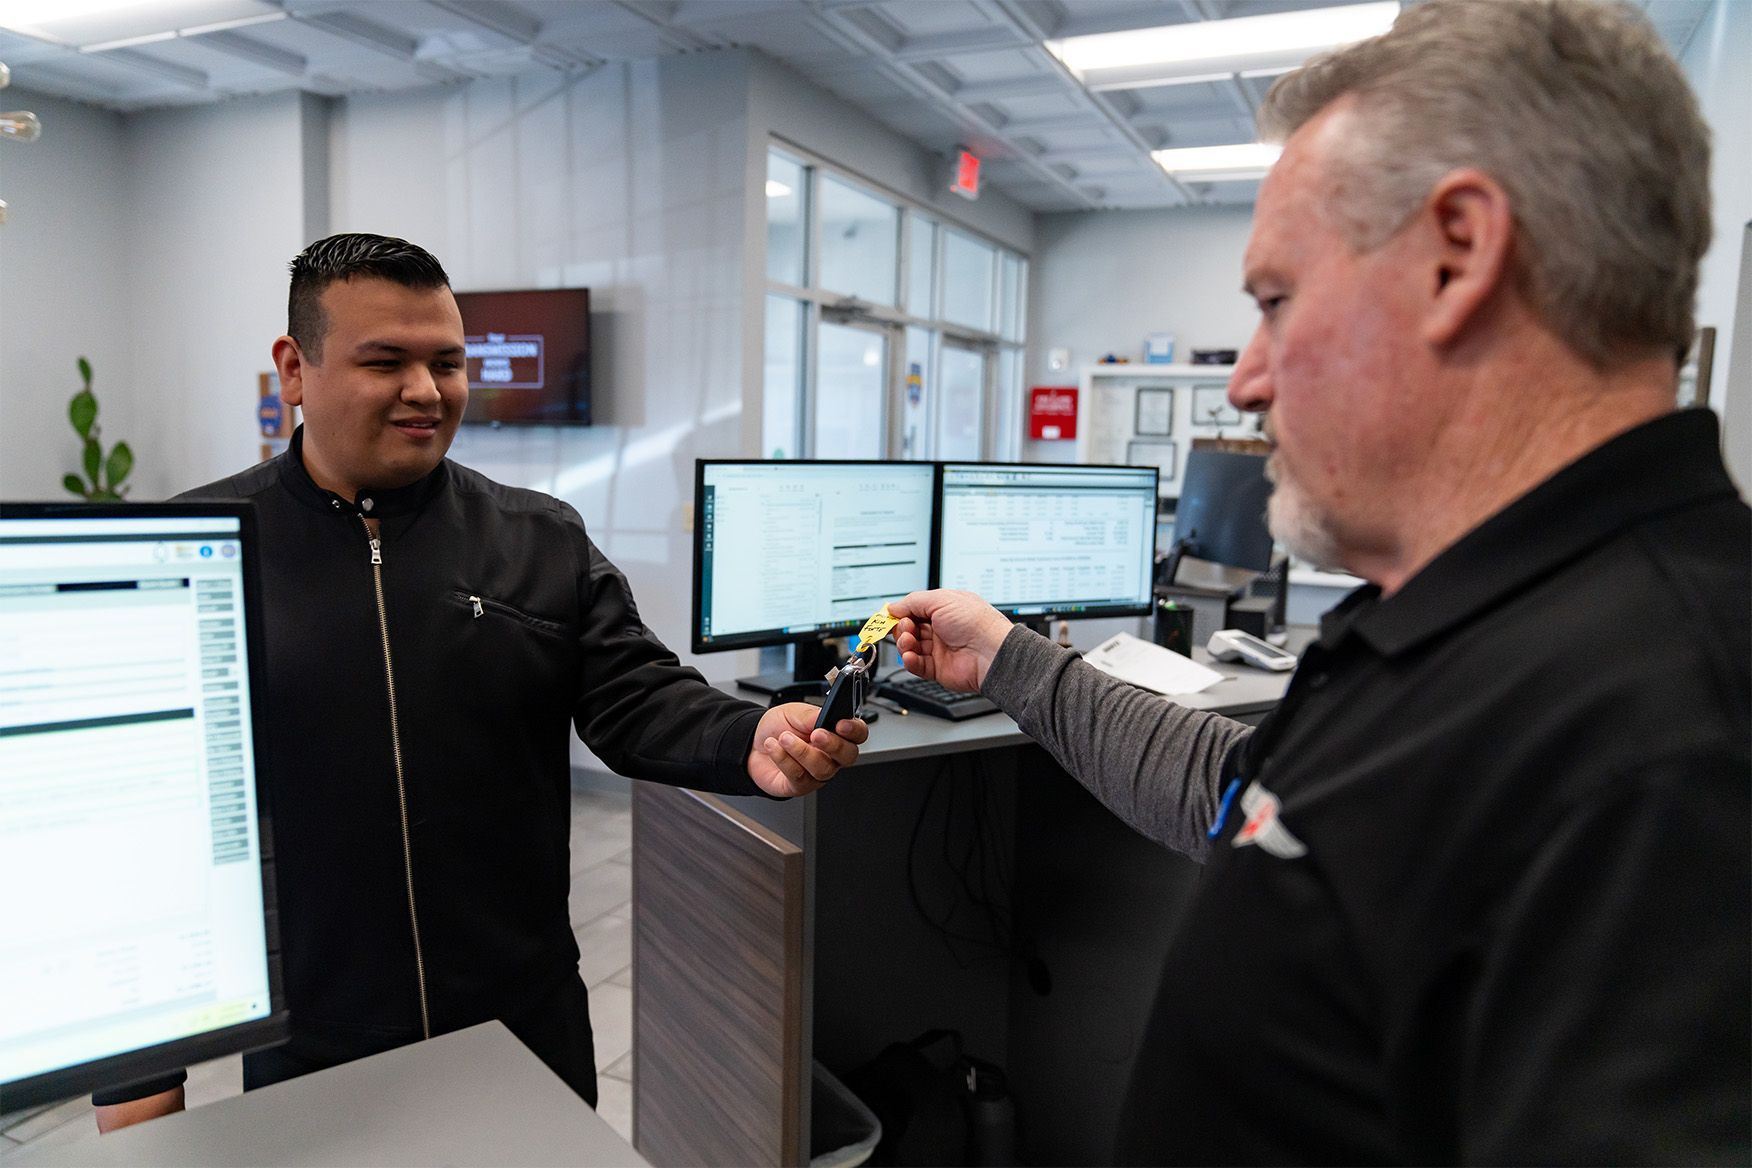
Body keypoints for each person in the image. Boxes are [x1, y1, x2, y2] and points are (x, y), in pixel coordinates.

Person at [891, 0, 1749, 1162]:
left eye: (1275, 301)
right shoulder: (1479, 625)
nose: (1244, 381)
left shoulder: (1673, 745)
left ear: (1458, 255)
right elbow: (1242, 794)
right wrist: (1009, 658)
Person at [93, 233, 867, 1130]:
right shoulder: (198, 550)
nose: (427, 390)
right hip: (315, 1043)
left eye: (448, 363)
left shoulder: (538, 537)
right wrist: (139, 1081)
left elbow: (637, 695)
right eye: (386, 361)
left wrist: (750, 736)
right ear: (294, 370)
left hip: (523, 1024)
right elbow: (140, 826)